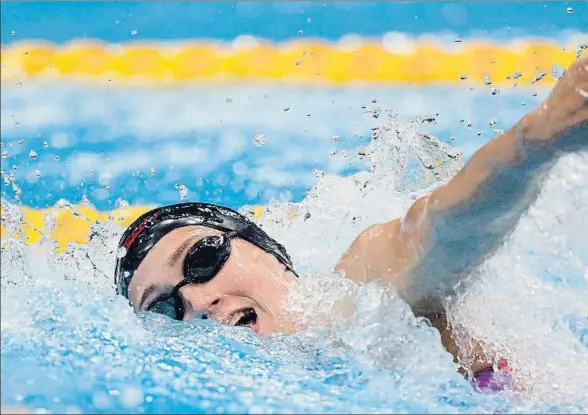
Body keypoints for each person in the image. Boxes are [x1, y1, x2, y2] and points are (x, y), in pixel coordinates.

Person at [114, 56, 588, 393]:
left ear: (268, 250)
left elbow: (440, 236)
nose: (195, 300)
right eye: (162, 309)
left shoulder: (354, 303)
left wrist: (538, 138)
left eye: (201, 258)